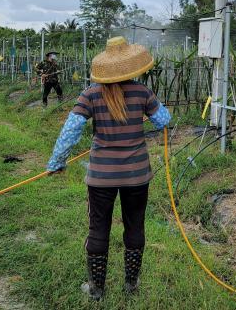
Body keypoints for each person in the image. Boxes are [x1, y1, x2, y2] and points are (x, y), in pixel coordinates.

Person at [46, 36, 171, 301]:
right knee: (135, 226)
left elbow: (71, 130)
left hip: (101, 177)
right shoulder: (142, 92)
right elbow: (164, 121)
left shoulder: (91, 94)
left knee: (98, 228)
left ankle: (96, 289)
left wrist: (57, 162)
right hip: (137, 175)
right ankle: (131, 284)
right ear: (130, 65)